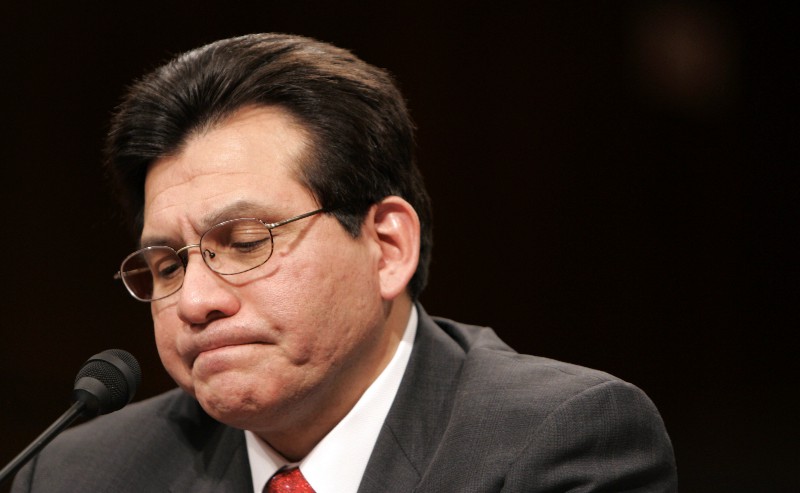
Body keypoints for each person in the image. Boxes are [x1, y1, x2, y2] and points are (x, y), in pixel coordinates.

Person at [12, 33, 677, 492]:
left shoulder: (554, 444)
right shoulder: (82, 473)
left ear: (388, 246)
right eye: (166, 265)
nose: (194, 301)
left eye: (245, 241)